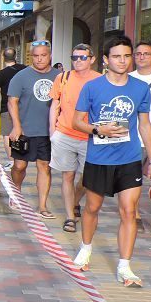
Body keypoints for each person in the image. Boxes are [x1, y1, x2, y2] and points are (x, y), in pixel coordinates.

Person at [72, 35, 151, 287]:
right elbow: (77, 121)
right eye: (117, 56)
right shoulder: (92, 87)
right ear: (107, 60)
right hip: (99, 157)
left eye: (127, 56)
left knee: (129, 211)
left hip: (129, 158)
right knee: (92, 208)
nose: (123, 61)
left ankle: (125, 266)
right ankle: (85, 250)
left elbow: (144, 125)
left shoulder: (140, 89)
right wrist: (99, 130)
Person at [48, 44, 101, 233]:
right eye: (75, 57)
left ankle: (76, 200)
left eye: (83, 57)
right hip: (64, 134)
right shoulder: (63, 78)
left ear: (92, 59)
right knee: (68, 175)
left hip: (90, 137)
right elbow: (55, 105)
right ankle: (70, 217)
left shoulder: (100, 81)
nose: (78, 61)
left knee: (88, 178)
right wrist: (52, 133)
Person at [7, 40, 60, 219]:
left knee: (44, 167)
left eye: (43, 55)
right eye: (35, 56)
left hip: (48, 132)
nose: (39, 59)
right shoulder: (21, 76)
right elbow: (12, 101)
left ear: (50, 55)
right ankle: (16, 193)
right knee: (19, 166)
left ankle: (43, 206)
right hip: (25, 132)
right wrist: (17, 126)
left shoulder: (59, 76)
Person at [128, 40, 151, 237]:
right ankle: (135, 214)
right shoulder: (127, 79)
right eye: (137, 54)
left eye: (146, 54)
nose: (141, 57)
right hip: (134, 138)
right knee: (133, 180)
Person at [0, 48, 26, 167]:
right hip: (23, 107)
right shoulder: (24, 69)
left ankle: (12, 160)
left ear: (3, 57)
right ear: (15, 56)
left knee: (7, 133)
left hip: (7, 106)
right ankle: (23, 159)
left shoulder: (2, 73)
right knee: (22, 132)